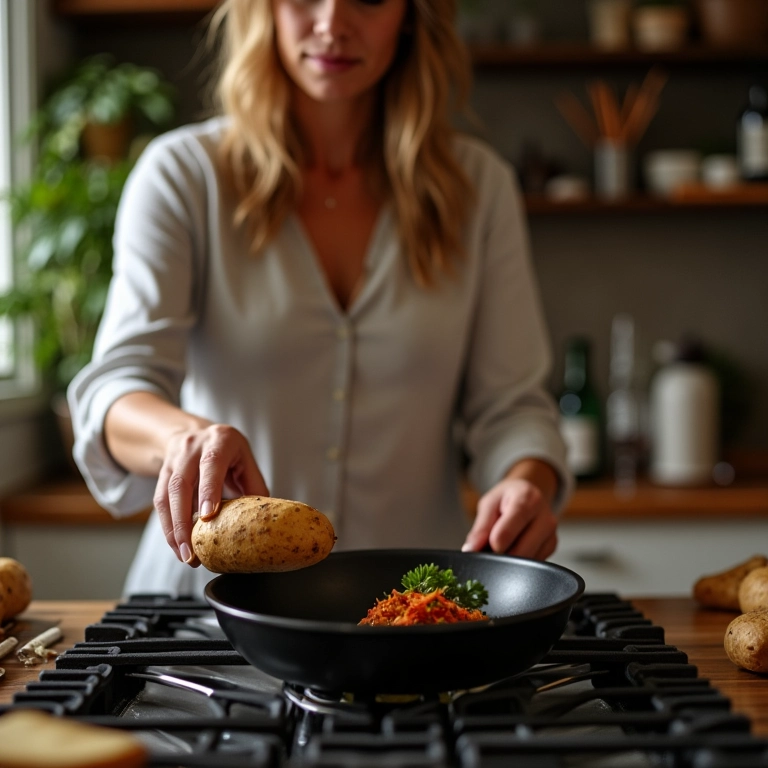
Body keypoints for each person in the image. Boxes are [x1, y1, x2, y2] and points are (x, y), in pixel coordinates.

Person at [68, 0, 573, 598]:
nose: (332, 23)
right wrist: (182, 437)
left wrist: (526, 481)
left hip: (407, 616)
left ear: (410, 15)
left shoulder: (478, 189)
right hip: (202, 617)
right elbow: (115, 389)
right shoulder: (185, 175)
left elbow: (512, 406)